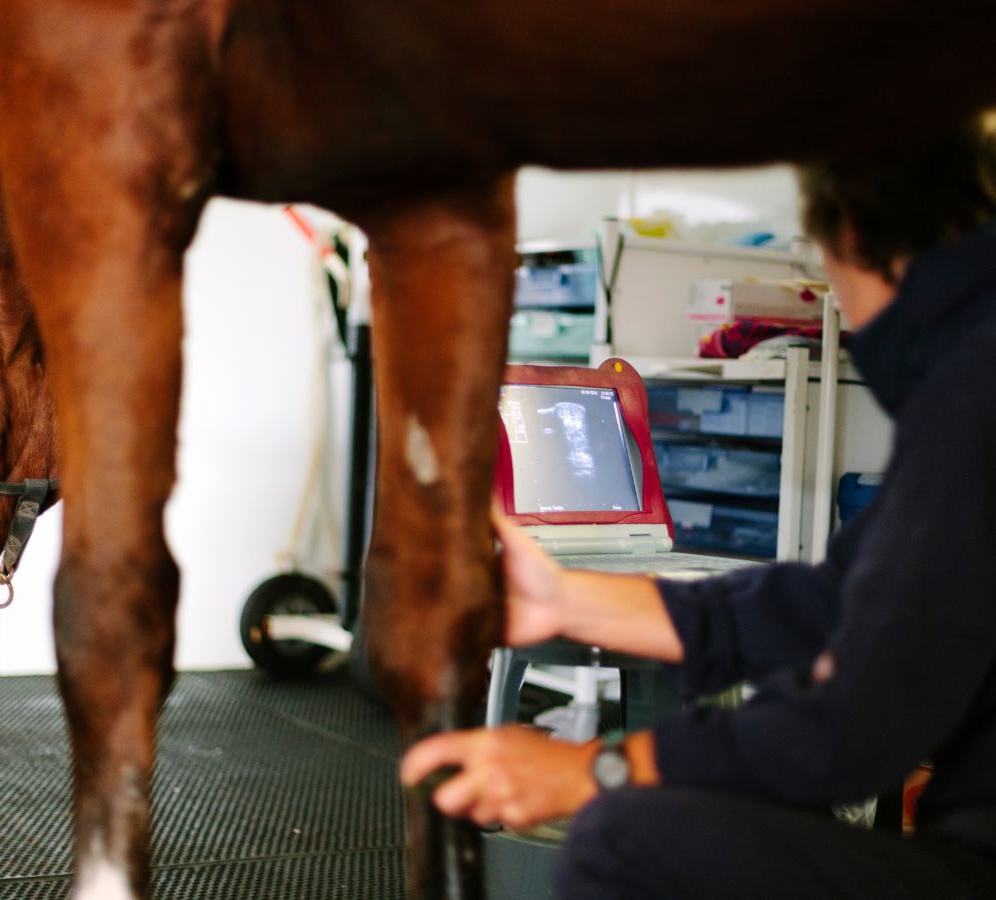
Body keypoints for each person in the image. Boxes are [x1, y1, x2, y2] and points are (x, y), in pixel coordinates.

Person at [402, 112, 996, 899]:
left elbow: (849, 731)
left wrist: (595, 770)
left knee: (625, 838)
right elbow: (834, 602)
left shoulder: (973, 395)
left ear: (849, 230)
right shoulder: (970, 376)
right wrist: (571, 597)